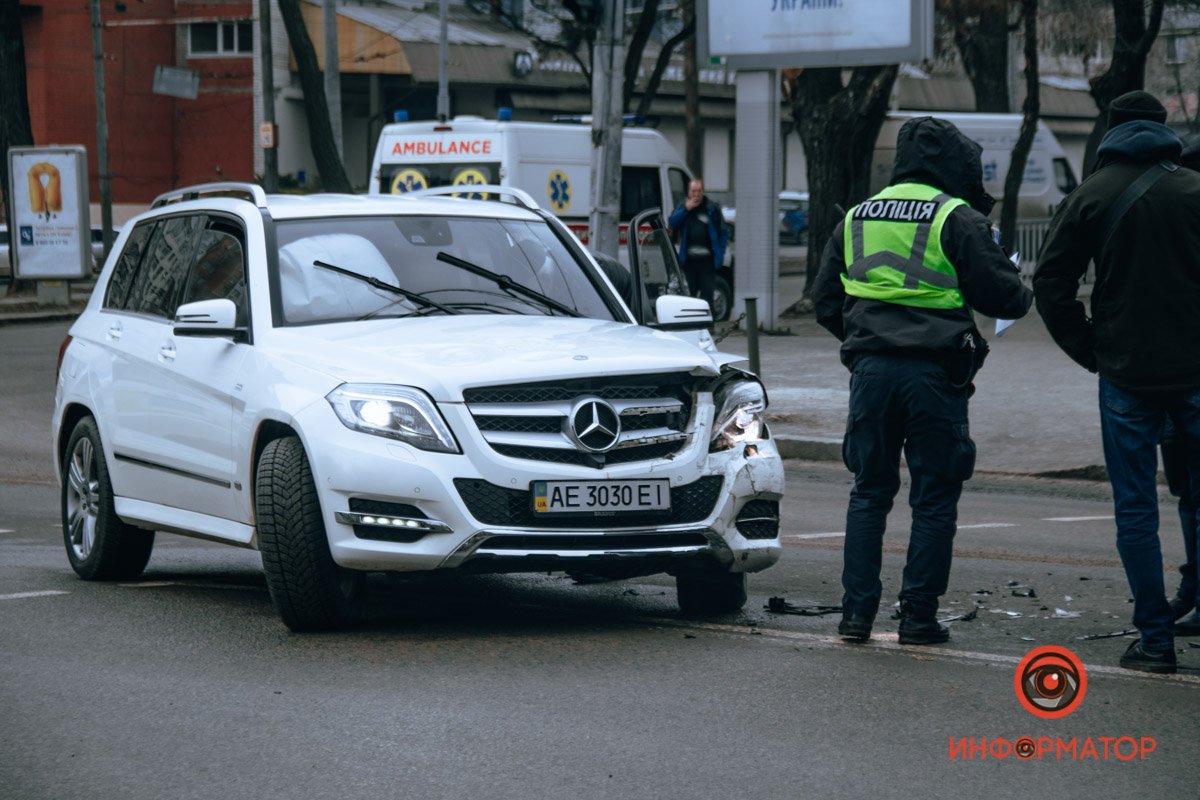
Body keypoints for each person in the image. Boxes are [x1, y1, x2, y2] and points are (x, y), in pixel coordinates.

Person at [813, 116, 1032, 646]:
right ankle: (917, 618)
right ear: (952, 163)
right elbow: (1008, 299)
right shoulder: (957, 217)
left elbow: (824, 303)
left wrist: (867, 340)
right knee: (933, 498)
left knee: (869, 492)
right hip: (935, 376)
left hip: (871, 374)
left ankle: (855, 617)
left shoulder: (857, 217)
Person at [1033, 90, 1200, 674]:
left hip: (1126, 376)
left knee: (1136, 509)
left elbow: (1051, 283)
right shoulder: (1194, 188)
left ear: (1111, 129)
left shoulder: (1092, 193)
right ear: (1163, 129)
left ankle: (1156, 641)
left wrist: (1091, 351)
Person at [668, 179, 728, 312]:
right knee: (690, 296)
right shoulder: (683, 206)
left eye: (699, 191)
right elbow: (672, 223)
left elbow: (724, 232)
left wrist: (720, 252)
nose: (696, 194)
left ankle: (708, 326)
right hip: (689, 261)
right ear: (689, 192)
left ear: (703, 192)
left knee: (707, 295)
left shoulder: (711, 208)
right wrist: (686, 209)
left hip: (708, 261)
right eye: (693, 191)